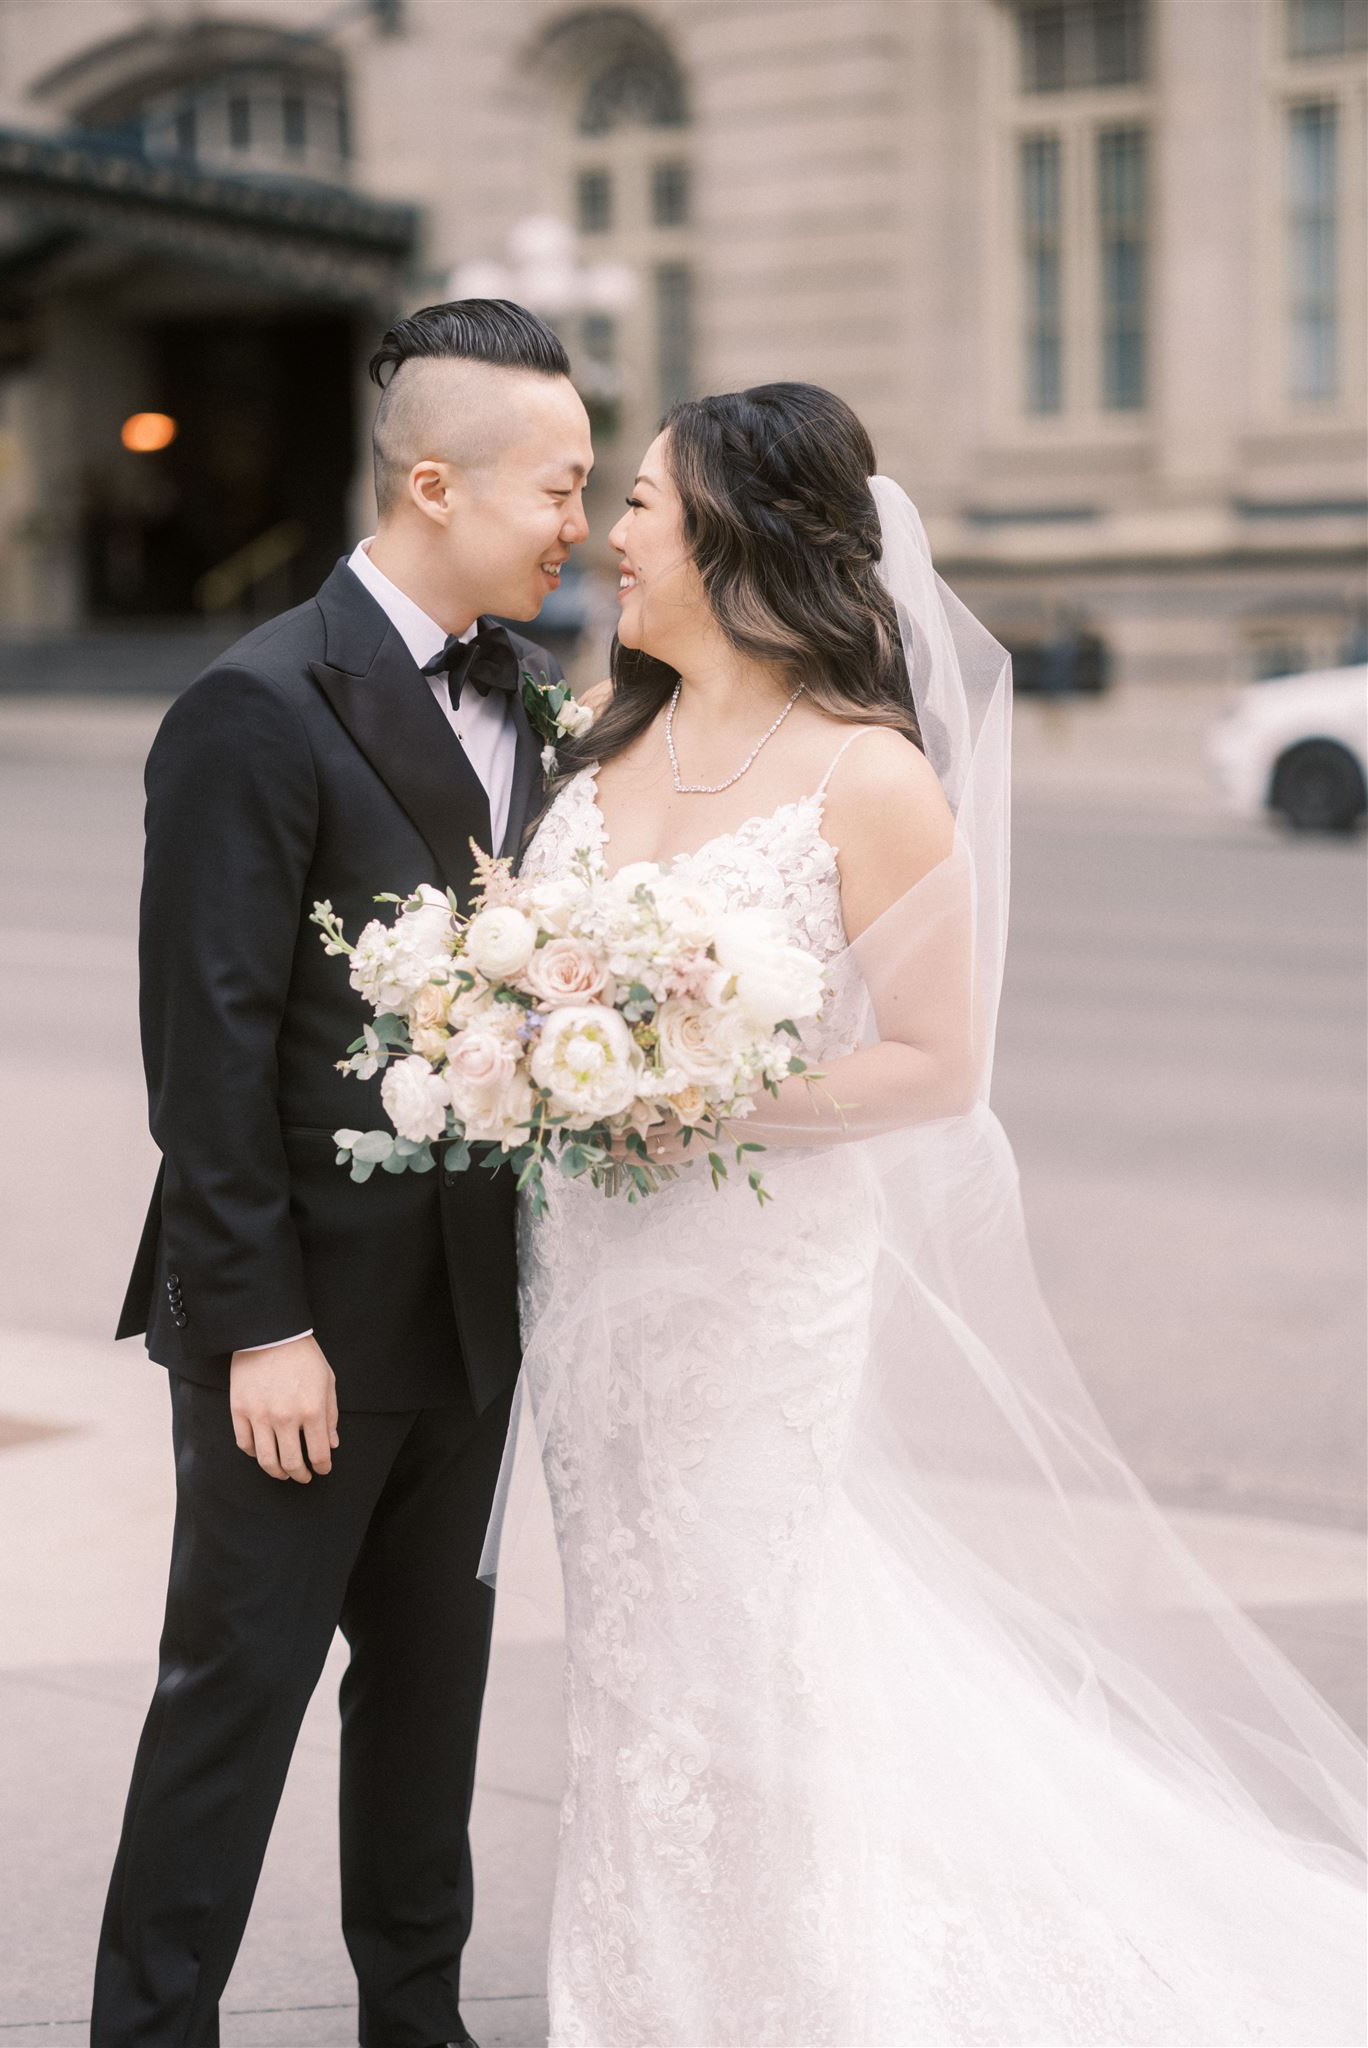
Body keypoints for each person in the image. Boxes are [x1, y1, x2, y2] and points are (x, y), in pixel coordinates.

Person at [492, 381, 1367, 2045]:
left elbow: (935, 1068)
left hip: (754, 1279)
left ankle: (793, 1986)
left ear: (736, 533)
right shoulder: (607, 728)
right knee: (633, 1635)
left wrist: (696, 1101)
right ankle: (646, 1977)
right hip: (600, 1266)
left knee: (747, 1624)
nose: (611, 532)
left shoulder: (869, 776)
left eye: (645, 505)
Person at [93, 299, 592, 2047]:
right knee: (232, 1701)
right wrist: (259, 1330)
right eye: (559, 487)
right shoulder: (250, 707)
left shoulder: (537, 703)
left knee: (429, 1700)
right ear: (438, 483)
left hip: (470, 1316)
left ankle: (419, 2017)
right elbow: (204, 1057)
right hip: (297, 1331)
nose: (579, 526)